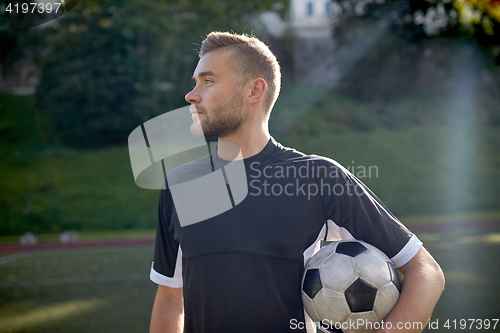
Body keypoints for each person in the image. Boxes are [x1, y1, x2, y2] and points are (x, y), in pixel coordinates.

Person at [149, 31, 445, 333]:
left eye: (208, 82)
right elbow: (171, 300)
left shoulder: (318, 177)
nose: (192, 94)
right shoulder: (178, 186)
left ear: (254, 91)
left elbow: (425, 272)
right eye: (195, 82)